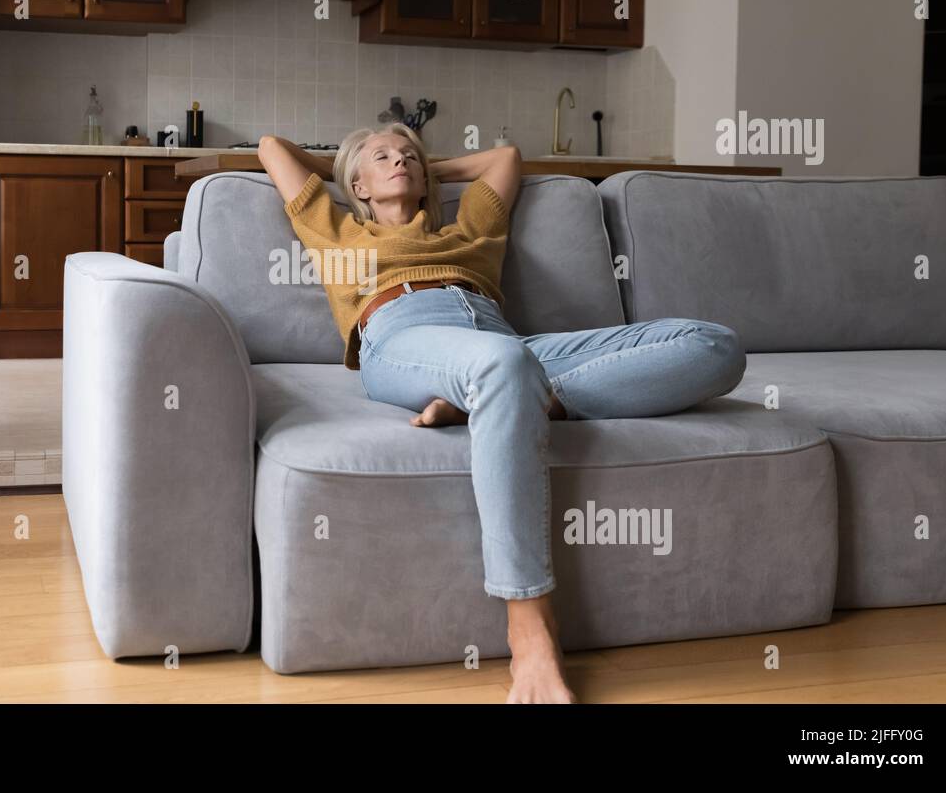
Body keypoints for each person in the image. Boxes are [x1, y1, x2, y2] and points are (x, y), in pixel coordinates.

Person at [257, 126, 747, 704]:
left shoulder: (471, 229)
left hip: (504, 343)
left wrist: (426, 167)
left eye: (409, 156)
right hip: (401, 336)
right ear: (356, 185)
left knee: (713, 344)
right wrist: (347, 164)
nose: (401, 162)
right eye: (383, 158)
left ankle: (498, 399)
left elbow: (505, 158)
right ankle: (530, 623)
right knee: (502, 364)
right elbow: (270, 147)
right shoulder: (338, 231)